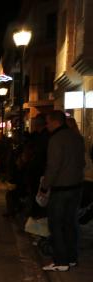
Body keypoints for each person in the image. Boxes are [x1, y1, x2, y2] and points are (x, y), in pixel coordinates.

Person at [40, 110, 85, 272]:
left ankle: (61, 260)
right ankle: (72, 258)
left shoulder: (56, 139)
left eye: (47, 122)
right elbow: (82, 162)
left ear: (55, 122)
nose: (47, 125)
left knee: (56, 224)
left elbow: (53, 166)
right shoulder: (76, 137)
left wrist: (45, 186)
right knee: (71, 223)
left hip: (61, 188)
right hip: (76, 186)